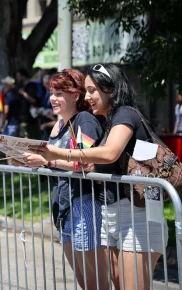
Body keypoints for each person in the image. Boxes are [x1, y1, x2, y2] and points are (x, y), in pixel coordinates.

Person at [29, 63, 168, 290]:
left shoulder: (125, 113)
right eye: (87, 90)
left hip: (138, 213)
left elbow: (110, 153)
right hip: (113, 213)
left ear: (111, 90)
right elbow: (96, 166)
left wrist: (57, 154)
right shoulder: (109, 120)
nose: (88, 96)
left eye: (93, 90)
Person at [9, 69, 107, 290]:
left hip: (85, 203)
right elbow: (51, 160)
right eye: (52, 92)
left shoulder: (85, 120)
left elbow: (85, 163)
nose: (53, 98)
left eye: (60, 93)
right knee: (82, 280)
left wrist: (46, 162)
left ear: (76, 95)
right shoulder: (58, 125)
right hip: (63, 204)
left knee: (94, 280)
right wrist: (25, 160)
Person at [15, 68, 42, 139]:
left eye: (18, 76)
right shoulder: (21, 86)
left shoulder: (31, 86)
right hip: (22, 118)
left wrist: (23, 93)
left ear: (23, 76)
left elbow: (33, 100)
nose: (17, 78)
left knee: (27, 138)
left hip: (29, 119)